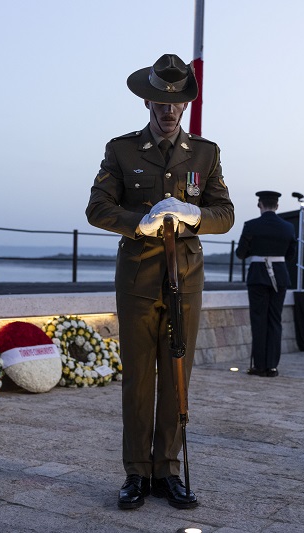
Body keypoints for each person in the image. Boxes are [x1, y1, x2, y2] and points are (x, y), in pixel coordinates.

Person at [86, 53, 234, 510]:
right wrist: (139, 222)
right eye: (159, 102)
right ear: (147, 101)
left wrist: (194, 215)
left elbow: (225, 215)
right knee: (138, 379)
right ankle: (136, 472)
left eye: (175, 103)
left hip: (184, 278)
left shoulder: (205, 153)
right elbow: (97, 208)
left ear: (185, 105)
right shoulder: (122, 149)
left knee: (176, 376)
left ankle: (168, 470)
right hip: (137, 279)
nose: (167, 111)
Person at [235, 191, 296, 377]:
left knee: (258, 320)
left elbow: (240, 254)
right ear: (277, 206)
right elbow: (291, 256)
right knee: (274, 320)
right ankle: (272, 366)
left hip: (258, 275)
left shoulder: (251, 226)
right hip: (280, 275)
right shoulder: (288, 227)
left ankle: (259, 365)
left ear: (259, 204)